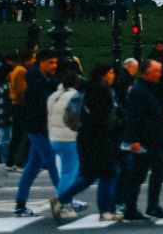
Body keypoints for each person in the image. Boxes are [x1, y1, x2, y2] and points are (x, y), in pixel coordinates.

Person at [54, 64, 118, 220]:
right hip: (100, 137)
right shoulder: (103, 89)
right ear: (104, 75)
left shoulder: (89, 88)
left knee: (89, 176)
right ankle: (105, 211)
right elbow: (106, 116)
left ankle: (62, 199)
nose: (113, 75)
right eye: (110, 72)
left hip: (86, 136)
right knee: (107, 174)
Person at [120, 60, 163, 222]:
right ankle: (143, 206)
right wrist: (133, 140)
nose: (159, 74)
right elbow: (133, 117)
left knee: (145, 172)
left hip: (153, 138)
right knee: (141, 173)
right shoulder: (139, 91)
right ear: (147, 73)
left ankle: (139, 207)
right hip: (145, 140)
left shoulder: (147, 89)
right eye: (157, 71)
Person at [13, 52, 62, 216]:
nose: (54, 65)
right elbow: (41, 105)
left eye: (55, 62)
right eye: (50, 62)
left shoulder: (46, 80)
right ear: (41, 63)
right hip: (40, 128)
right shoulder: (34, 82)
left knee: (32, 167)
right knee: (53, 163)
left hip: (39, 128)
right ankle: (65, 199)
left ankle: (20, 204)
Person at [44, 66, 86, 219]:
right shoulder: (75, 96)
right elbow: (76, 118)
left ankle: (64, 202)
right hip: (69, 137)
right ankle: (64, 203)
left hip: (54, 137)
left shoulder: (53, 96)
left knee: (64, 172)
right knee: (70, 173)